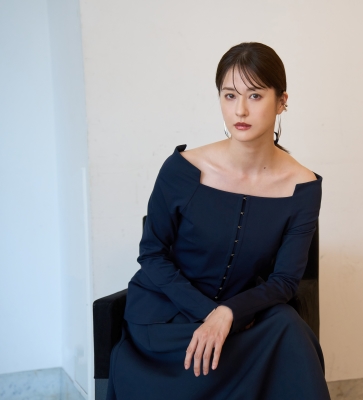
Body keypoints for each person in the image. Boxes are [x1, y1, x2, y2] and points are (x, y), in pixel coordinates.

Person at [106, 42, 330, 400]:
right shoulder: (182, 169)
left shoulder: (302, 187)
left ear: (282, 102)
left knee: (289, 330)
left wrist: (228, 312)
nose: (240, 109)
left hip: (241, 318)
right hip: (166, 320)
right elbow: (152, 254)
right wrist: (210, 313)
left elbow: (285, 281)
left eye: (255, 95)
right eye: (229, 95)